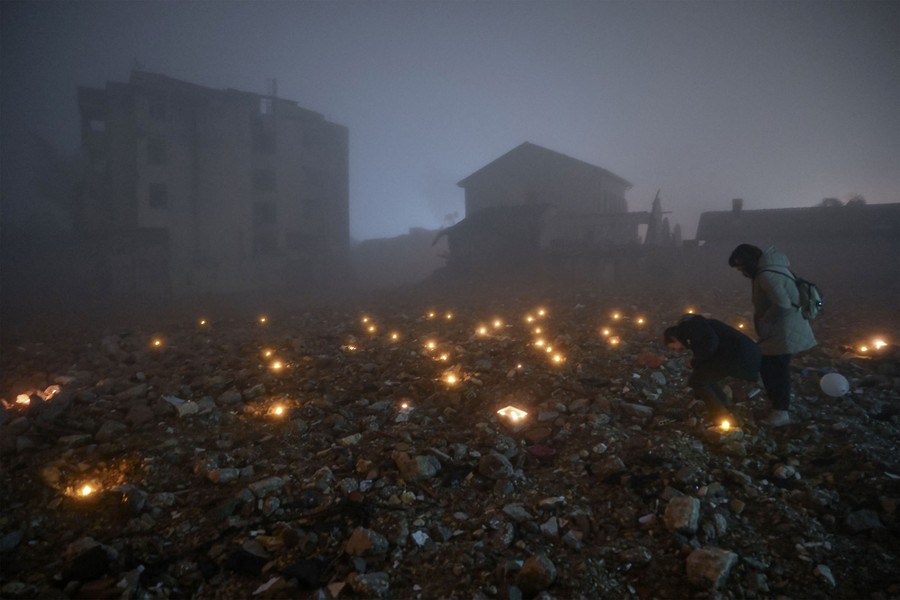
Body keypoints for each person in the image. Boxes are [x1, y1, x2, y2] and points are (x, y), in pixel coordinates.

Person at [728, 243, 817, 427]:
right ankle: (776, 407)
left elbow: (782, 304)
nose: (740, 270)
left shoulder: (766, 275)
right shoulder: (776, 269)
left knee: (775, 370)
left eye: (740, 265)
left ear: (748, 261)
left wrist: (765, 320)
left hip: (782, 332)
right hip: (785, 329)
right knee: (771, 367)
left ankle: (780, 412)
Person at [664, 314, 761, 423]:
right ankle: (726, 406)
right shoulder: (695, 328)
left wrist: (696, 362)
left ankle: (720, 414)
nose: (677, 350)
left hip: (737, 356)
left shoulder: (692, 328)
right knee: (703, 378)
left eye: (673, 347)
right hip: (742, 355)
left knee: (698, 381)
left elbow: (710, 344)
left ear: (673, 338)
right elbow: (708, 351)